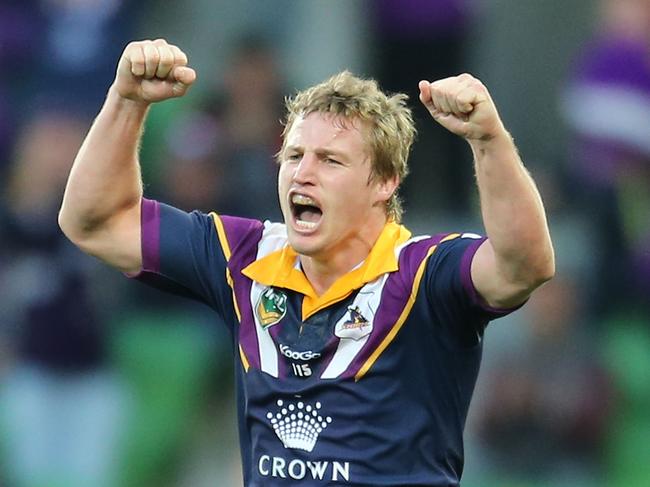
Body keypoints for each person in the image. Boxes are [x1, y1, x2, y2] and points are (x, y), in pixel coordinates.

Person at [59, 39, 554, 486]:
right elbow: (95, 221)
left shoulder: (425, 273)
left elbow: (524, 265)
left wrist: (488, 140)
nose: (303, 174)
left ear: (384, 183)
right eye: (294, 156)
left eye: (330, 160)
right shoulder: (244, 258)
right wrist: (127, 101)